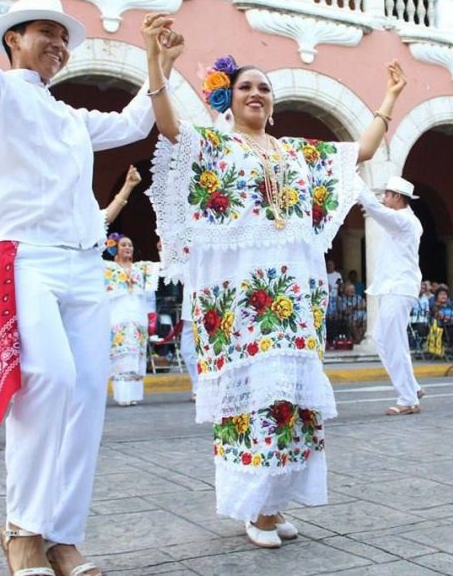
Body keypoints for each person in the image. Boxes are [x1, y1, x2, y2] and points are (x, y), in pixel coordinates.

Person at [0, 0, 181, 574]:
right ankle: (22, 527)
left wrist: (155, 61)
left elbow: (140, 120)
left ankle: (63, 535)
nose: (58, 45)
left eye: (63, 38)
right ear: (14, 40)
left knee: (85, 394)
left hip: (84, 268)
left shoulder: (71, 117)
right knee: (44, 380)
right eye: (46, 33)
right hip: (23, 259)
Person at [149, 44, 406, 547]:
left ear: (273, 102)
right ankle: (254, 507)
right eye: (246, 86)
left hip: (291, 295)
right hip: (239, 300)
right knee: (255, 397)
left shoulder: (296, 153)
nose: (256, 94)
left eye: (264, 88)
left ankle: (275, 500)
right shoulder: (213, 145)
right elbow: (170, 128)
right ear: (229, 97)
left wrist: (391, 96)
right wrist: (156, 66)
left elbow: (363, 150)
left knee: (287, 396)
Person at [358, 175, 424, 415]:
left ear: (397, 197)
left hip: (399, 287)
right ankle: (412, 388)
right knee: (387, 338)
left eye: (387, 194)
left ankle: (407, 398)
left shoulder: (403, 220)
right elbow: (377, 209)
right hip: (395, 287)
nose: (384, 198)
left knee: (390, 340)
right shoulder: (404, 220)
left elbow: (375, 209)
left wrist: (356, 183)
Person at [104, 234, 160, 406]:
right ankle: (122, 396)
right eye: (123, 245)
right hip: (117, 317)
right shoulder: (107, 269)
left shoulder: (141, 269)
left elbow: (162, 268)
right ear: (115, 248)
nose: (128, 248)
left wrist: (161, 250)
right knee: (121, 355)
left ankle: (134, 395)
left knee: (136, 355)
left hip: (138, 317)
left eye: (130, 245)